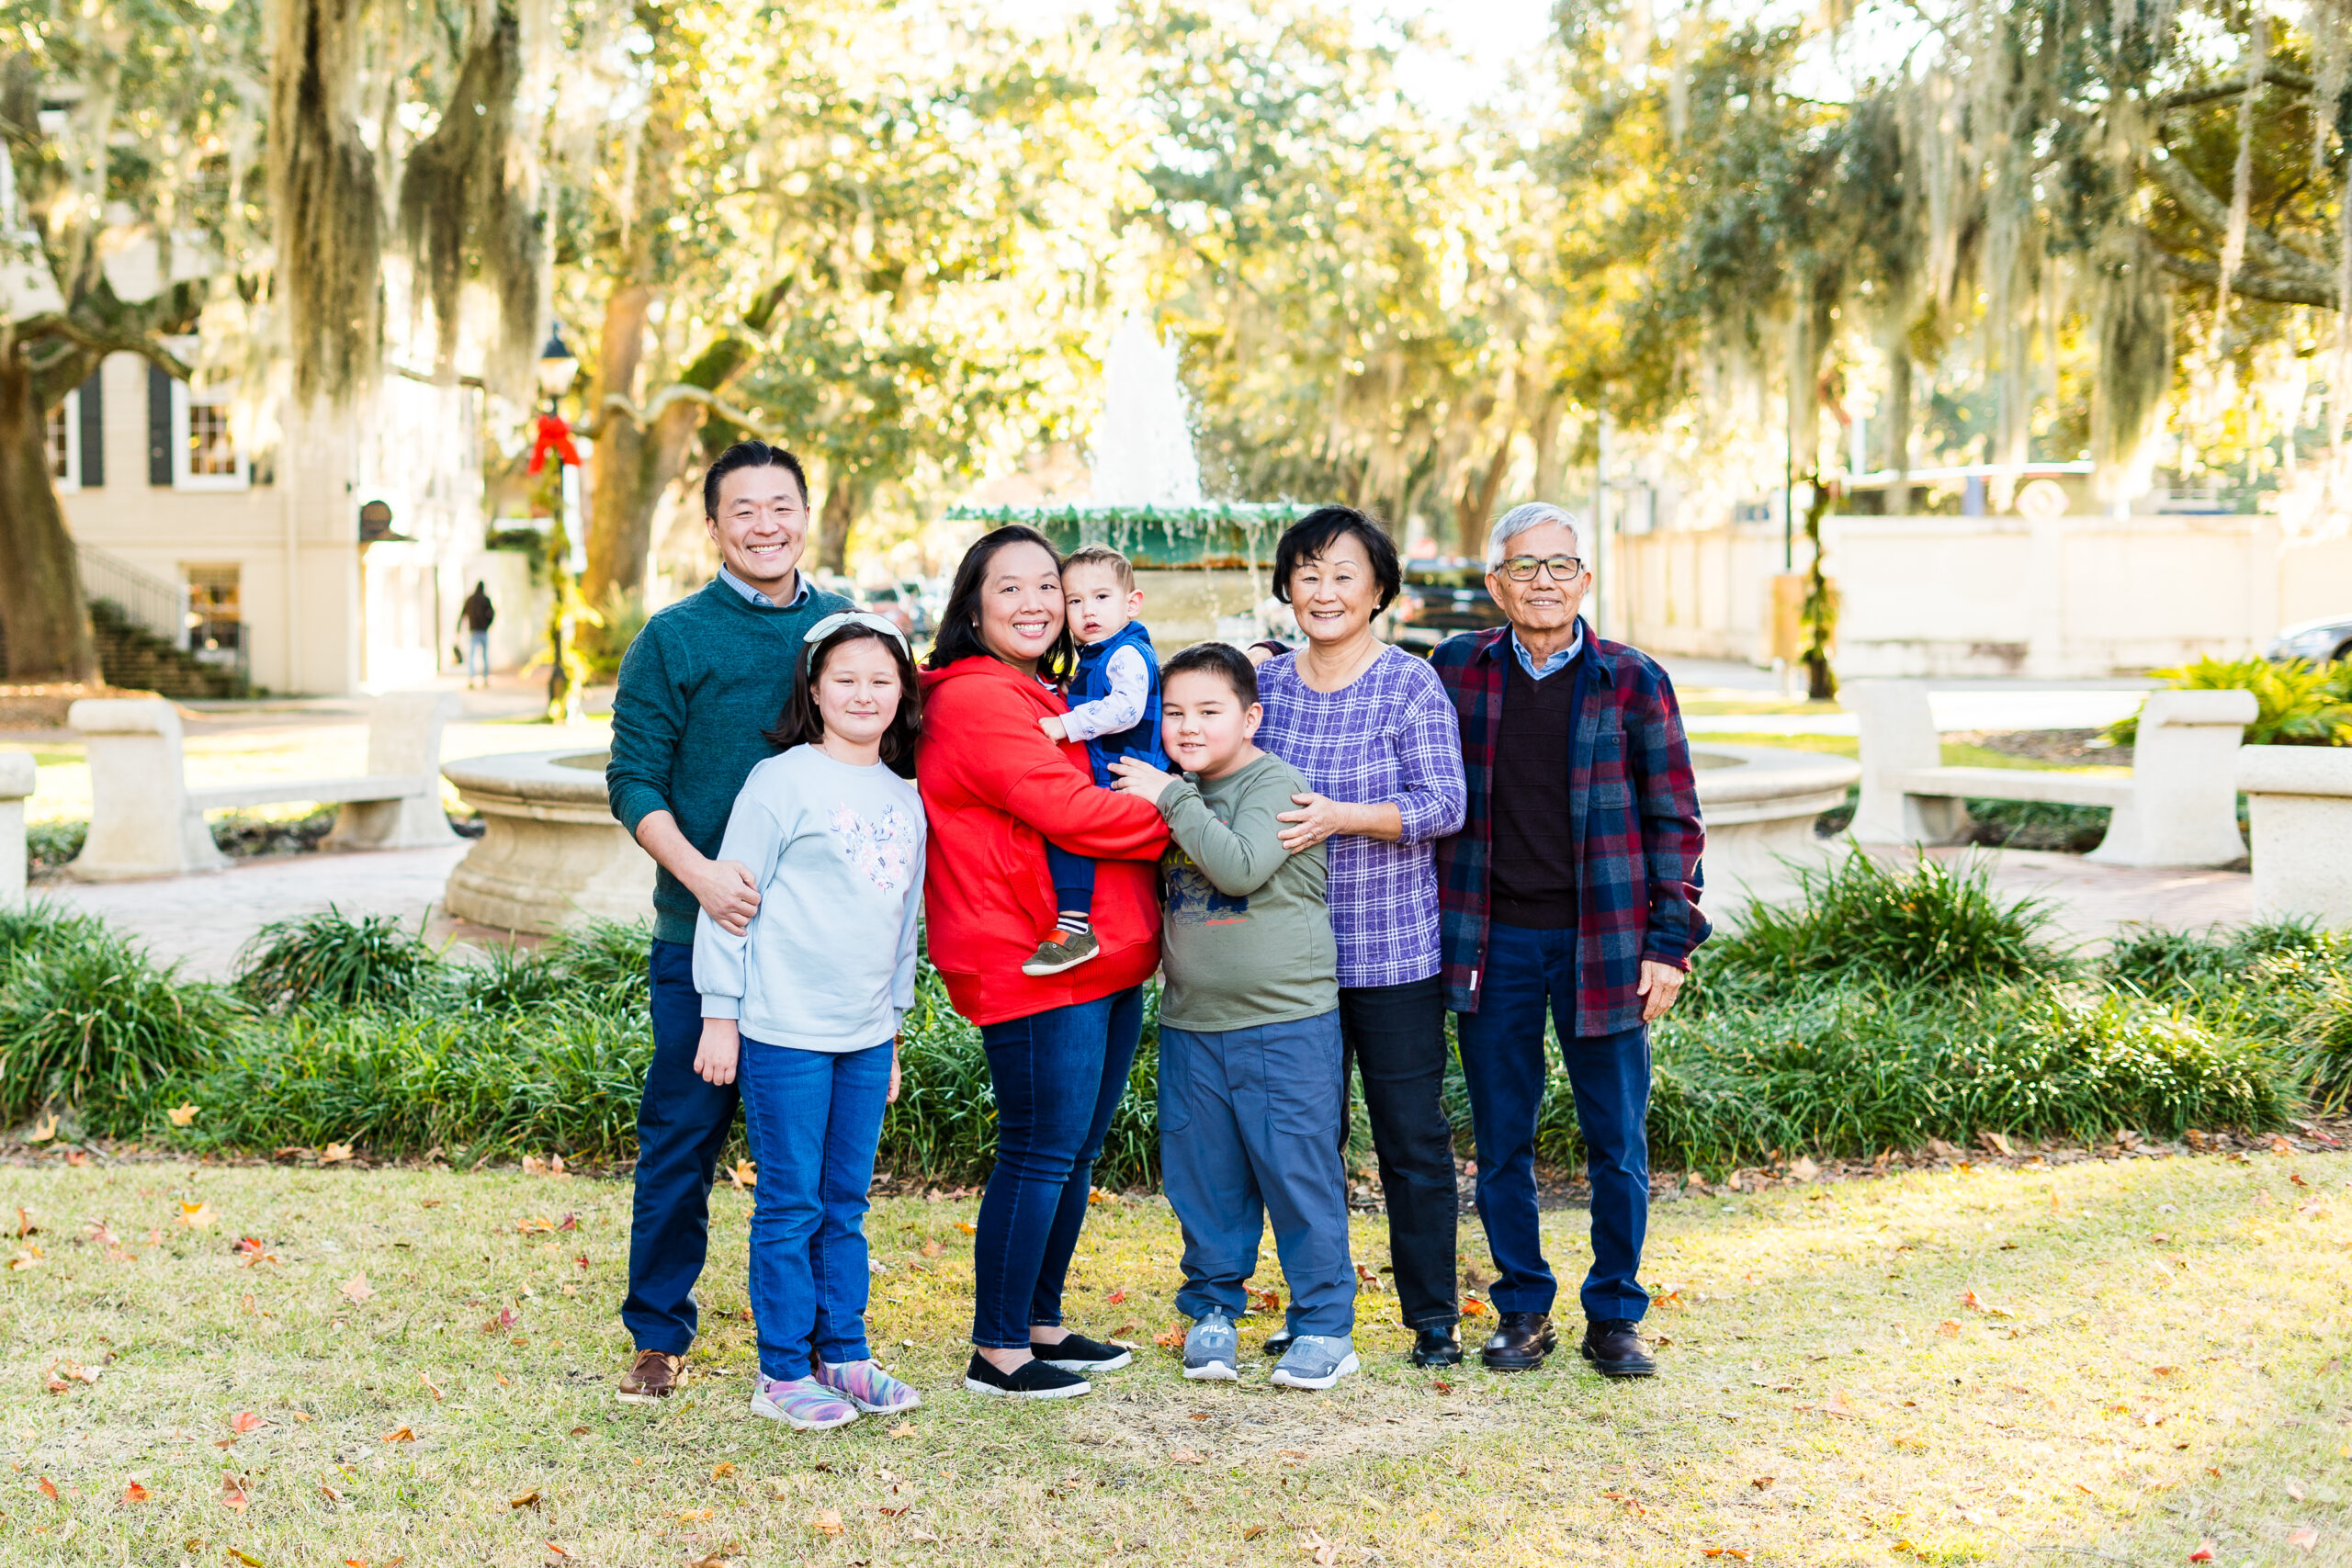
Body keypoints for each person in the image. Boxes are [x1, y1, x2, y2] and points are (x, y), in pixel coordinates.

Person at [1430, 502, 1708, 1379]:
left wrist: (1670, 942)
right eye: (1523, 566)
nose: (1542, 581)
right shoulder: (1454, 670)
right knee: (1502, 1138)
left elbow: (1676, 820)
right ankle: (1521, 1308)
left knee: (1616, 1139)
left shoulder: (1632, 680)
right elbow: (1359, 687)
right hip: (1494, 942)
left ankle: (1616, 1314)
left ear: (1584, 579)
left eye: (1559, 565)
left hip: (1608, 948)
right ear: (1495, 584)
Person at [603, 440, 854, 1404]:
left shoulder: (843, 630)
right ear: (712, 526)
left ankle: (831, 1336)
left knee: (816, 1157)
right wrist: (702, 877)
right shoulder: (672, 638)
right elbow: (631, 780)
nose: (764, 525)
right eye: (742, 510)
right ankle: (658, 1332)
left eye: (781, 506)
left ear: (806, 515)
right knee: (683, 1136)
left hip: (818, 949)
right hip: (699, 934)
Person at [915, 525, 1171, 1399]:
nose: (1035, 604)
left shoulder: (1046, 688)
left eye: (1047, 588)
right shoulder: (977, 698)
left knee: (1075, 1148)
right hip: (1032, 955)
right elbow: (1078, 814)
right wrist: (1194, 814)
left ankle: (1041, 1321)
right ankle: (998, 1348)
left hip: (1101, 956)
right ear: (973, 605)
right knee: (1039, 1148)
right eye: (1009, 588)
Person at [692, 612, 927, 1429]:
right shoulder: (781, 780)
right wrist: (720, 1014)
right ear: (816, 689)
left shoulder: (906, 795)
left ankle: (846, 1354)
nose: (864, 693)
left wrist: (892, 1032)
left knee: (847, 1202)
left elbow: (904, 929)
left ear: (903, 692)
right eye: (846, 678)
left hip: (863, 1036)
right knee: (791, 1202)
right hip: (783, 1029)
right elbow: (729, 900)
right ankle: (783, 1370)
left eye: (881, 678)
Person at [1250, 505, 1469, 1369]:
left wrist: (1344, 817)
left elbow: (1443, 804)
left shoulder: (1411, 684)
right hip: (1290, 960)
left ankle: (1433, 1317)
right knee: (1306, 1138)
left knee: (1411, 1133)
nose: (1325, 590)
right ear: (1286, 589)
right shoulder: (1264, 690)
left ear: (1379, 587)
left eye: (1344, 573)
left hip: (1392, 954)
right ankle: (1316, 1309)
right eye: (1308, 574)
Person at [1106, 643, 1354, 1391]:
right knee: (1205, 1177)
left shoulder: (1272, 781)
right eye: (1173, 711)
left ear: (1250, 717)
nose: (1186, 725)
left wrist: (1168, 797)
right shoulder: (1177, 787)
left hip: (1283, 1021)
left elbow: (1241, 866)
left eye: (1208, 711)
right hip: (1193, 1021)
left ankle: (1324, 1324)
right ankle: (1213, 1307)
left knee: (1297, 1172)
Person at [1027, 545, 1168, 977]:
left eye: (1101, 597)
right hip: (1116, 768)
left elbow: (1125, 708)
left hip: (1131, 772)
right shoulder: (1097, 652)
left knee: (1069, 829)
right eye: (1075, 600)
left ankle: (1074, 925)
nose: (1088, 610)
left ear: (1132, 603)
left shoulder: (1126, 653)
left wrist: (1065, 724)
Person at [458, 581, 495, 688]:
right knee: (484, 656)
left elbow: (462, 614)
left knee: (472, 656)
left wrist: (458, 629)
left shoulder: (470, 599)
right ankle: (485, 678)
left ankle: (471, 679)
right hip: (483, 631)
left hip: (473, 631)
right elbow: (492, 614)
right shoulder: (485, 599)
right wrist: (488, 624)